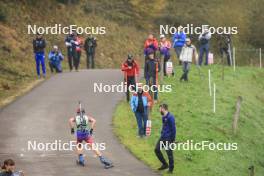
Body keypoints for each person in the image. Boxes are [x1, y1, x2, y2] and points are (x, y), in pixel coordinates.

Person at [69, 104, 113, 169]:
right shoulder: (87, 117)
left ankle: (81, 159)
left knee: (79, 145)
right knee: (92, 146)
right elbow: (94, 121)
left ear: (77, 113)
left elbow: (70, 120)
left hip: (79, 134)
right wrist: (91, 129)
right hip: (86, 134)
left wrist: (72, 129)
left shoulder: (76, 118)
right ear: (84, 112)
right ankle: (103, 160)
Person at [154, 104, 176, 174]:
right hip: (163, 137)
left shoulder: (170, 117)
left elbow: (173, 129)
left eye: (160, 109)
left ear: (163, 109)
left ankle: (171, 169)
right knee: (157, 149)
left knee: (169, 153)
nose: (159, 110)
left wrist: (172, 139)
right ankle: (165, 164)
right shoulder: (163, 117)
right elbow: (165, 126)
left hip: (168, 138)